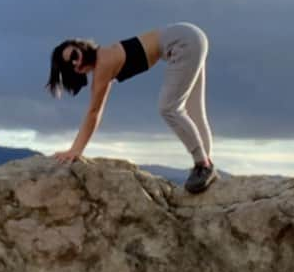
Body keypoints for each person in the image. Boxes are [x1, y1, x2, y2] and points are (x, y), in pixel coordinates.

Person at [46, 22, 217, 193]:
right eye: (70, 64)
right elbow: (94, 111)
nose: (76, 62)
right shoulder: (105, 58)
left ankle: (202, 165)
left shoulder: (103, 63)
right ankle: (206, 165)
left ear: (81, 47)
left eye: (75, 54)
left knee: (169, 108)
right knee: (194, 110)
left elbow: (94, 112)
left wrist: (76, 150)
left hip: (183, 42)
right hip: (189, 36)